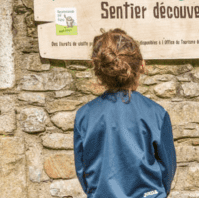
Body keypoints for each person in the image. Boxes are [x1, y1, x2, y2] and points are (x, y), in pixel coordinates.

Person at [74, 29, 176, 198]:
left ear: (99, 71)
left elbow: (82, 169)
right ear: (141, 66)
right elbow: (167, 169)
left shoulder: (84, 115)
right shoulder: (156, 113)